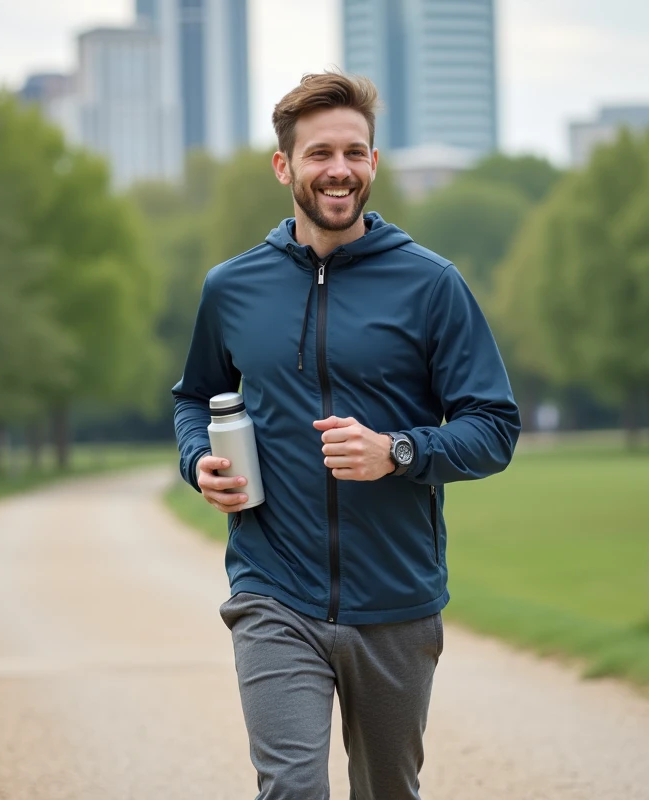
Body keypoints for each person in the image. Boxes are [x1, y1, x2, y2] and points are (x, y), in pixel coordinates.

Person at [171, 71, 521, 799]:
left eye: (355, 152)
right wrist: (196, 458)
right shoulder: (231, 288)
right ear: (284, 166)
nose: (339, 169)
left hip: (395, 600)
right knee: (292, 789)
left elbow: (495, 427)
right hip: (273, 592)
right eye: (320, 153)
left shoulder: (431, 285)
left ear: (373, 163)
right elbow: (194, 397)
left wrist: (397, 452)